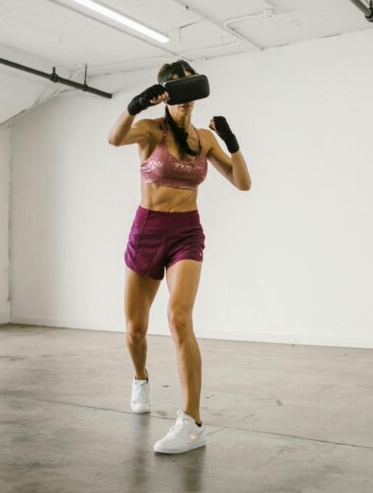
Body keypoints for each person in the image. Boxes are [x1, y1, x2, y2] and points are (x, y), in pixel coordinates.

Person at [107, 60, 251, 454]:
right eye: (177, 93)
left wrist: (233, 143)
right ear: (167, 97)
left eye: (190, 91)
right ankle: (140, 378)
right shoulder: (151, 130)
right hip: (147, 229)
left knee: (179, 317)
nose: (185, 102)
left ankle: (191, 423)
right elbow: (113, 138)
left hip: (187, 232)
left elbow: (242, 183)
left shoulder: (204, 138)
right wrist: (135, 105)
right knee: (135, 331)